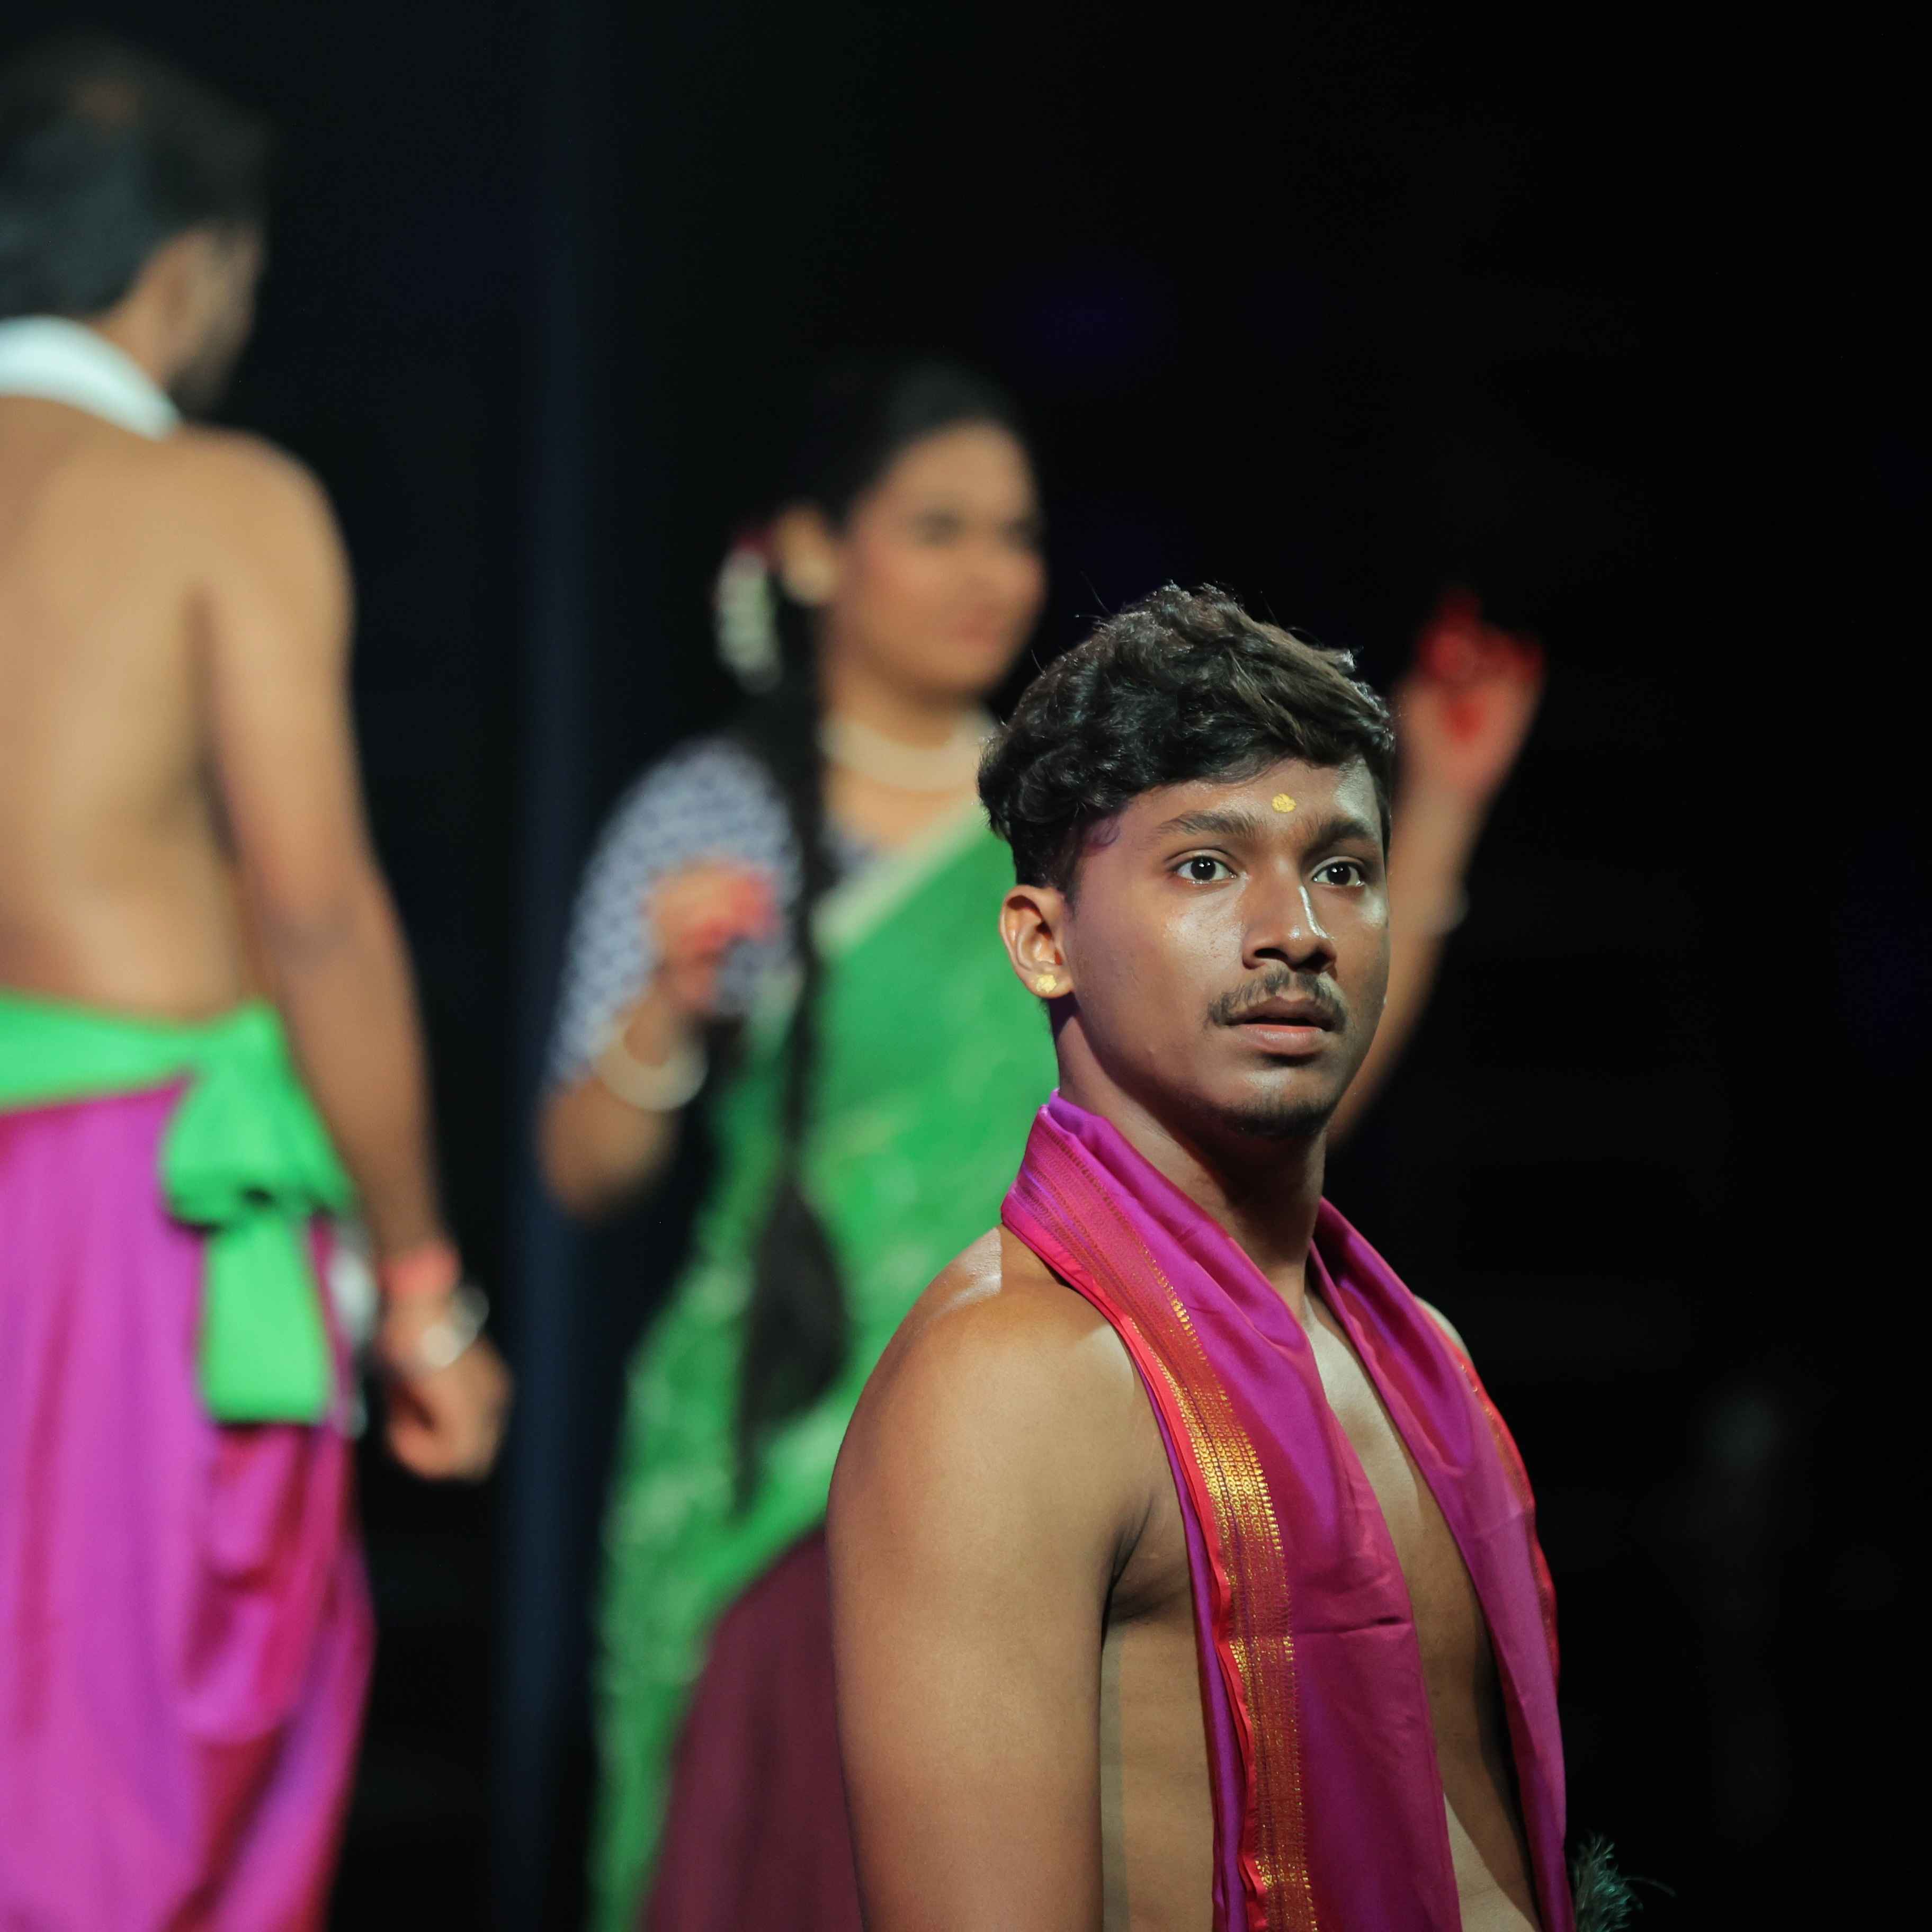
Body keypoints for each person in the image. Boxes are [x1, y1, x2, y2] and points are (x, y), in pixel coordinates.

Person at [829, 585, 1571, 1932]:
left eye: (1342, 870)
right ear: (1043, 941)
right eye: (1207, 868)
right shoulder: (1010, 1386)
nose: (1297, 931)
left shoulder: (1419, 1357)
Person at [0, 34, 508, 1927]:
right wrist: (426, 1294)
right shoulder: (216, 499)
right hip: (127, 1205)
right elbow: (315, 913)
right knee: (126, 1814)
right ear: (197, 263)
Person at [541, 360, 1061, 1931]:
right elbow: (582, 1172)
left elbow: (1261, 1117)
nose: (990, 574)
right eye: (939, 528)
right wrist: (667, 1008)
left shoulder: (1073, 826)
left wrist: (1436, 816)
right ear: (818, 551)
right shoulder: (712, 813)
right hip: (784, 1450)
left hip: (1045, 1444)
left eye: (1016, 534)